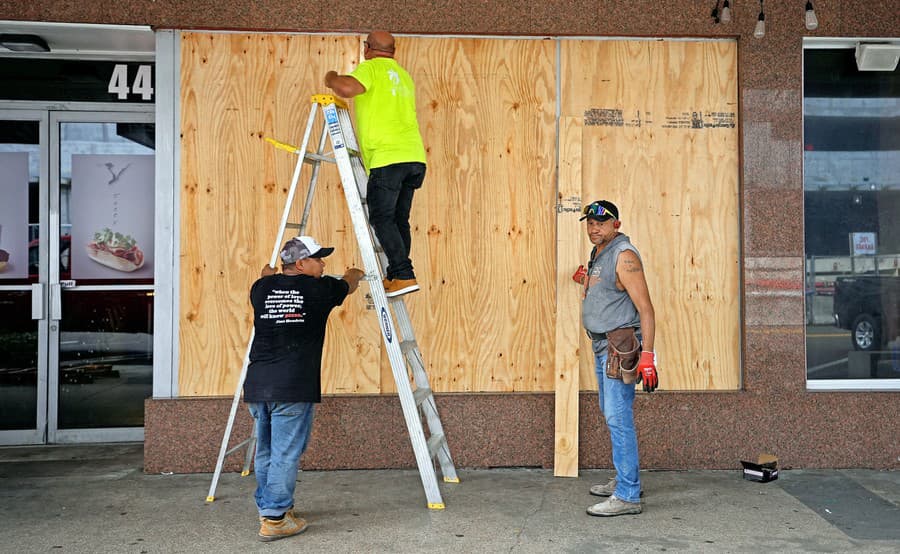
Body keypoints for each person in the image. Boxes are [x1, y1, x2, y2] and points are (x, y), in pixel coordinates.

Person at [244, 235, 365, 541]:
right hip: (293, 385)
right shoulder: (319, 290)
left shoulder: (261, 289)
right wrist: (356, 273)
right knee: (285, 453)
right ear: (300, 263)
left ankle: (272, 508)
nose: (323, 264)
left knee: (267, 451)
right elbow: (348, 284)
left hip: (258, 384)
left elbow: (266, 275)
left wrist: (268, 271)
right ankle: (274, 519)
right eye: (318, 259)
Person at [324, 30, 426, 298]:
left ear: (367, 48)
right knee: (398, 219)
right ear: (393, 50)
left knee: (381, 217)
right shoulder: (403, 75)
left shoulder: (371, 68)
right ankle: (397, 275)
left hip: (387, 158)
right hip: (413, 157)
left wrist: (331, 77)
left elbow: (346, 89)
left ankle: (403, 273)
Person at [575, 200, 659, 517]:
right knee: (610, 412)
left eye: (601, 222)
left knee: (618, 417)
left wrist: (647, 357)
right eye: (590, 223)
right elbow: (609, 291)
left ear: (616, 224)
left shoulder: (624, 256)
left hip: (618, 346)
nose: (594, 227)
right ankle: (625, 481)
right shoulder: (600, 254)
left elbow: (646, 310)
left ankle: (627, 494)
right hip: (601, 345)